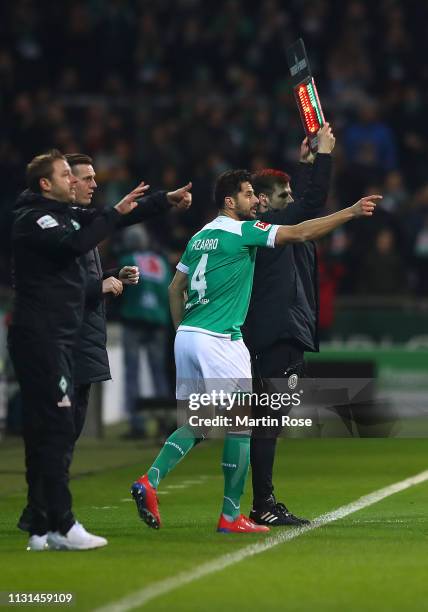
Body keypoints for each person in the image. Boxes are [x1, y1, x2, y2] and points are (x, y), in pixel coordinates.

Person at [130, 169, 379, 534]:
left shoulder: (200, 236)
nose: (255, 201)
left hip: (188, 335)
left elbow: (174, 287)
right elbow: (301, 232)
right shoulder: (242, 231)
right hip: (220, 339)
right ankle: (231, 515)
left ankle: (150, 481)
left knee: (200, 422)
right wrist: (351, 212)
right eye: (248, 195)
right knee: (241, 427)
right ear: (231, 202)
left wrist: (182, 330)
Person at [15, 152, 192, 539]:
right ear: (55, 183)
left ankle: (43, 521)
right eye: (75, 176)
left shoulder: (67, 219)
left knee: (59, 432)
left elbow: (112, 222)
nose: (89, 184)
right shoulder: (40, 220)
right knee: (56, 431)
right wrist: (102, 285)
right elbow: (68, 259)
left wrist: (162, 201)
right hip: (51, 339)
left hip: (68, 337)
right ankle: (55, 521)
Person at [243, 124, 336, 527]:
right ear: (264, 202)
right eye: (284, 196)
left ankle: (259, 501)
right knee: (266, 422)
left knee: (266, 422)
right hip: (272, 335)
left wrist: (306, 163)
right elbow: (312, 202)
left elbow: (302, 203)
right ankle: (262, 503)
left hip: (283, 333)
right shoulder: (266, 230)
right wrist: (327, 155)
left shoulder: (276, 230)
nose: (292, 201)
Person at [119, 225, 172, 438]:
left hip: (133, 320)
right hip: (158, 322)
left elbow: (122, 290)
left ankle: (137, 424)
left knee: (132, 373)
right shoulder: (161, 263)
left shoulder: (127, 260)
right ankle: (164, 422)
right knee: (158, 373)